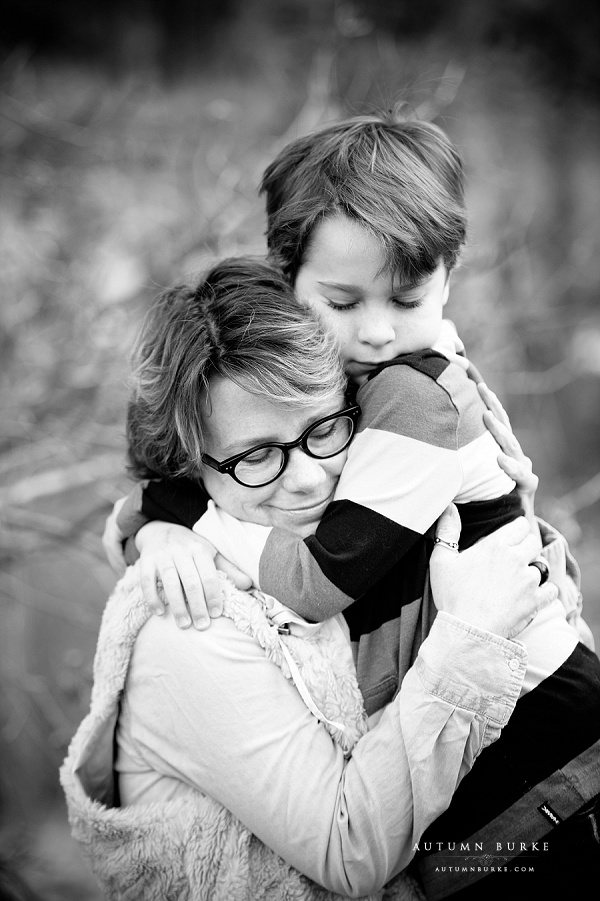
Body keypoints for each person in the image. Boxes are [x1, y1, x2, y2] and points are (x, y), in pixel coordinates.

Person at [102, 114, 599, 896]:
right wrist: (155, 521)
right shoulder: (341, 385)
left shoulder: (411, 393)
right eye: (342, 302)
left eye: (406, 299)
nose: (376, 333)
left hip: (546, 737)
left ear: (449, 272)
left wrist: (192, 522)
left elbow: (312, 581)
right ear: (284, 276)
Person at [62, 259, 555, 901]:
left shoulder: (365, 523)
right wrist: (470, 641)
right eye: (256, 455)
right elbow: (348, 856)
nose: (306, 478)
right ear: (189, 466)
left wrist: (512, 516)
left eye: (322, 428)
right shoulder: (187, 620)